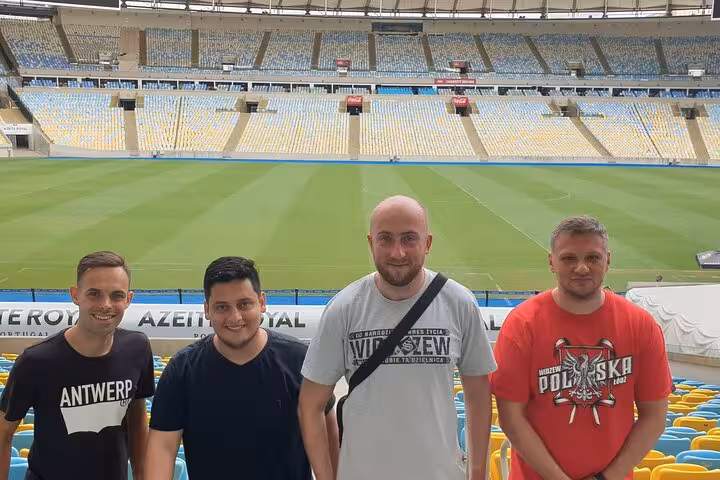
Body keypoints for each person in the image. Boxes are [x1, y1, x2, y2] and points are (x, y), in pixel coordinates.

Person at [298, 195, 496, 480]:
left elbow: (477, 397)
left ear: (427, 243)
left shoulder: (458, 303)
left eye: (409, 239)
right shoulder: (344, 308)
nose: (397, 252)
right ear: (370, 243)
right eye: (386, 239)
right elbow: (310, 404)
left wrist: (477, 473)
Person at [491, 216, 672, 480]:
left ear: (607, 259)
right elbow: (511, 419)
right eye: (568, 258)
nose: (582, 268)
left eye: (592, 258)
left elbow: (654, 417)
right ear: (551, 262)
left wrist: (606, 478)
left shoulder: (640, 324)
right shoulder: (522, 325)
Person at [145, 256, 339, 480]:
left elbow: (327, 430)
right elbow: (162, 447)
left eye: (244, 304)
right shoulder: (182, 370)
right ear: (207, 310)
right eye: (222, 307)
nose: (234, 317)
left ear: (262, 302)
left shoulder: (299, 360)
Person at [0, 251, 154, 480]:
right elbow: (3, 434)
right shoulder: (36, 362)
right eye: (94, 294)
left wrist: (142, 475)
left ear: (128, 300)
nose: (105, 304)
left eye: (116, 295)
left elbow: (137, 421)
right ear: (75, 295)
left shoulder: (137, 348)